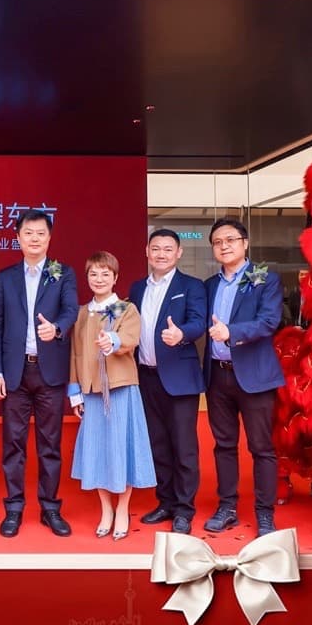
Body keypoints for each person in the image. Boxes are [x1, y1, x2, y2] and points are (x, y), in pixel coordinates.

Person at [0, 209, 78, 538]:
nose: (35, 238)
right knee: (13, 444)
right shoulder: (6, 277)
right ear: (18, 237)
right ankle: (13, 507)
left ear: (49, 238)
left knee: (49, 444)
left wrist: (57, 328)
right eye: (29, 233)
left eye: (41, 233)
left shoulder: (63, 274)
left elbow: (71, 310)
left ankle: (50, 507)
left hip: (49, 372)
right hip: (15, 373)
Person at [202, 218, 285, 537]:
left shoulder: (265, 278)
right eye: (217, 242)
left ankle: (265, 513)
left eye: (230, 240)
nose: (224, 246)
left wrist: (231, 332)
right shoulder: (209, 285)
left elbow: (269, 322)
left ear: (245, 243)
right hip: (217, 376)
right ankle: (227, 508)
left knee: (261, 448)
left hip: (255, 376)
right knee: (223, 445)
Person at [68, 251, 156, 541]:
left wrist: (112, 341)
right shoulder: (82, 313)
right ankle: (105, 508)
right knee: (97, 452)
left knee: (122, 450)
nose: (99, 279)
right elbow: (75, 354)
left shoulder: (125, 309)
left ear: (115, 278)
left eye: (105, 274)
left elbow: (130, 339)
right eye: (94, 274)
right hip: (91, 392)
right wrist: (75, 392)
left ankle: (123, 509)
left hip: (120, 389)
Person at [128, 229, 207, 535]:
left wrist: (181, 333)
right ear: (147, 252)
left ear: (178, 253)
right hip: (146, 377)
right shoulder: (137, 288)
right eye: (156, 248)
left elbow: (199, 321)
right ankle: (166, 502)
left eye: (168, 249)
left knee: (183, 447)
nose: (161, 254)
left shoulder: (191, 286)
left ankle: (184, 509)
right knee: (158, 444)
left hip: (179, 378)